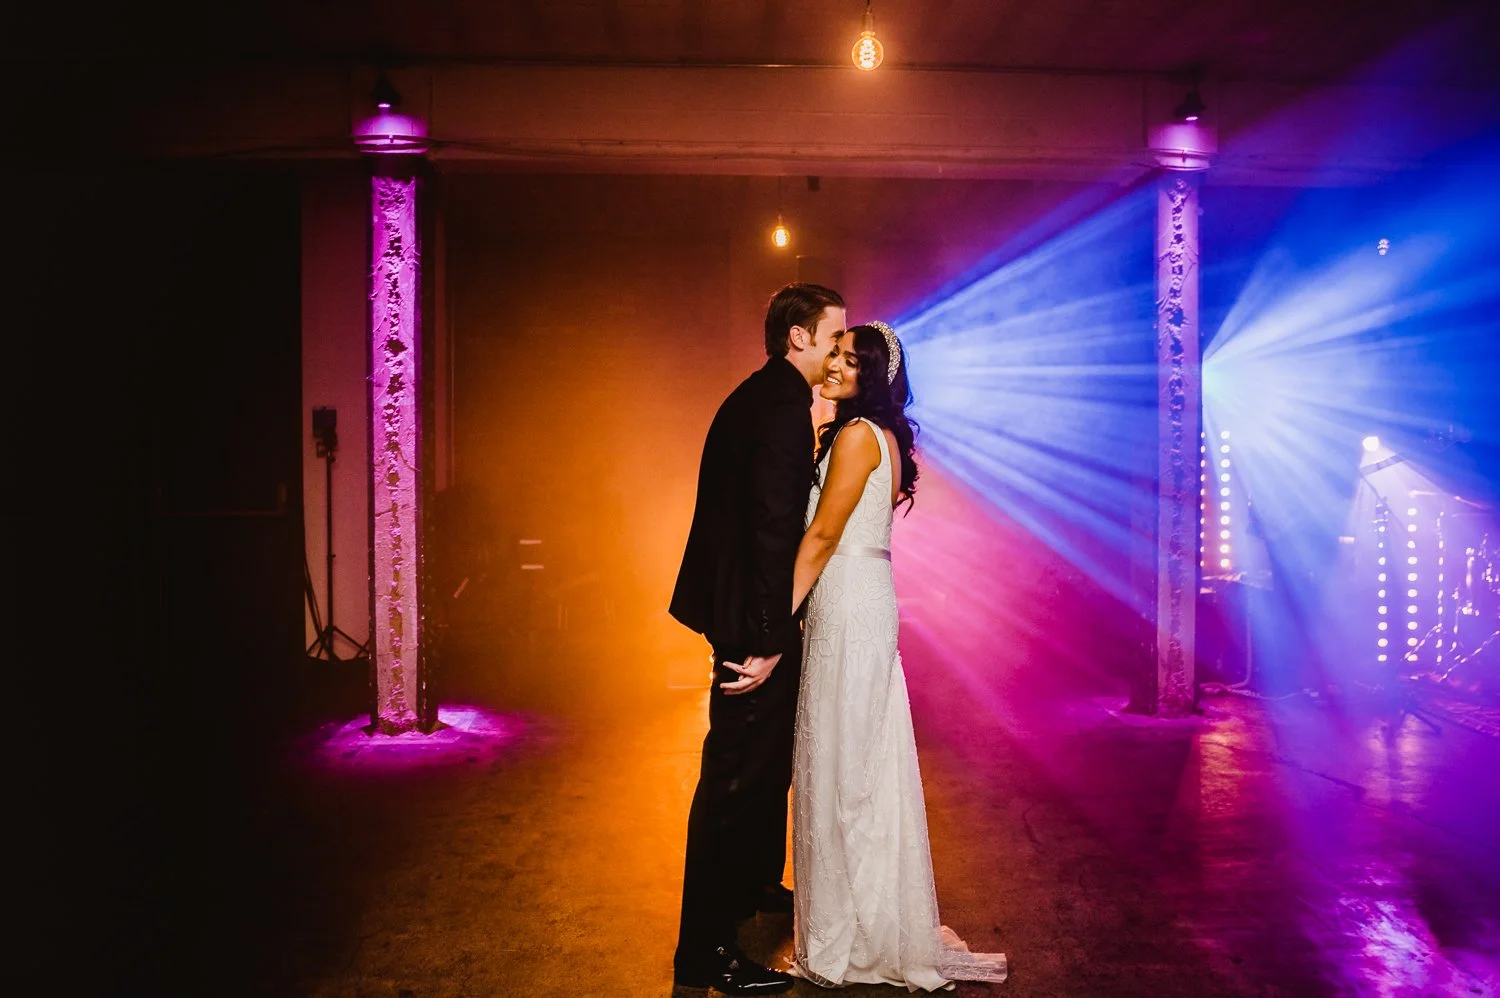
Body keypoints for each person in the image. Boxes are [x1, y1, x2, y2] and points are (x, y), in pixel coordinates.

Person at [787, 322, 1008, 990]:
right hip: (862, 595)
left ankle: (855, 933)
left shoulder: (856, 437)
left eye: (853, 362)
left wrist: (774, 618)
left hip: (849, 597)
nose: (837, 367)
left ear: (875, 377)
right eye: (838, 355)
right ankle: (867, 918)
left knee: (844, 764)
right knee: (861, 759)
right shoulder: (876, 437)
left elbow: (824, 533)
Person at [669, 282, 848, 995]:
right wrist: (770, 638)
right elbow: (773, 531)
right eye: (834, 337)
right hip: (751, 623)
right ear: (798, 337)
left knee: (760, 771)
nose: (841, 349)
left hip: (746, 613)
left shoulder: (770, 396)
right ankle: (704, 954)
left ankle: (748, 889)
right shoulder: (779, 408)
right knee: (733, 785)